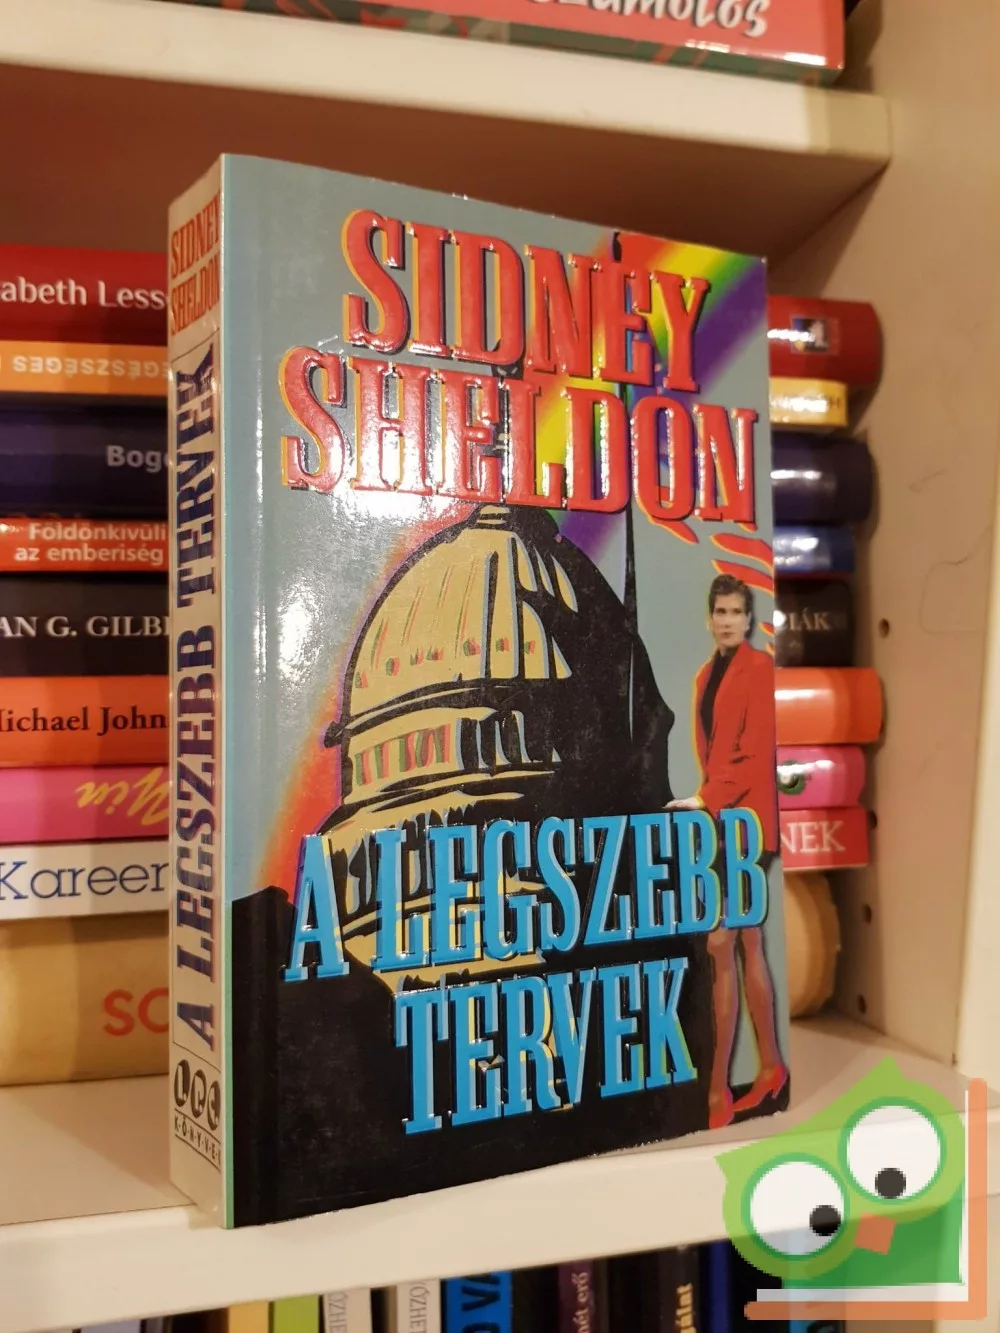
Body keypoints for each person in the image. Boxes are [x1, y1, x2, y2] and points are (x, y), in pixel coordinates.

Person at [667, 573, 786, 1129]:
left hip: (749, 821)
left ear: (749, 618)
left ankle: (717, 1091)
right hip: (724, 821)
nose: (728, 621)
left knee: (723, 941)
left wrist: (703, 799)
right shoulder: (703, 676)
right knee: (747, 941)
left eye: (737, 612)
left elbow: (753, 753)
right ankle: (771, 1068)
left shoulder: (760, 670)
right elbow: (714, 752)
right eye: (721, 611)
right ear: (709, 616)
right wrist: (708, 802)